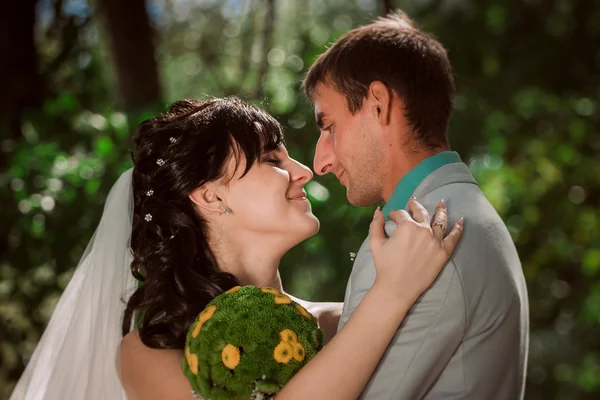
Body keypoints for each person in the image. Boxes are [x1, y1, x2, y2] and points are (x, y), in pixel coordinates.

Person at [10, 97, 462, 400]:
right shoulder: (150, 355)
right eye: (272, 160)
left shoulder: (342, 321)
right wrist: (393, 294)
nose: (305, 171)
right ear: (210, 196)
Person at [302, 10, 529, 400]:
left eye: (329, 127)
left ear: (378, 104)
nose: (320, 162)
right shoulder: (471, 212)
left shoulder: (414, 243)